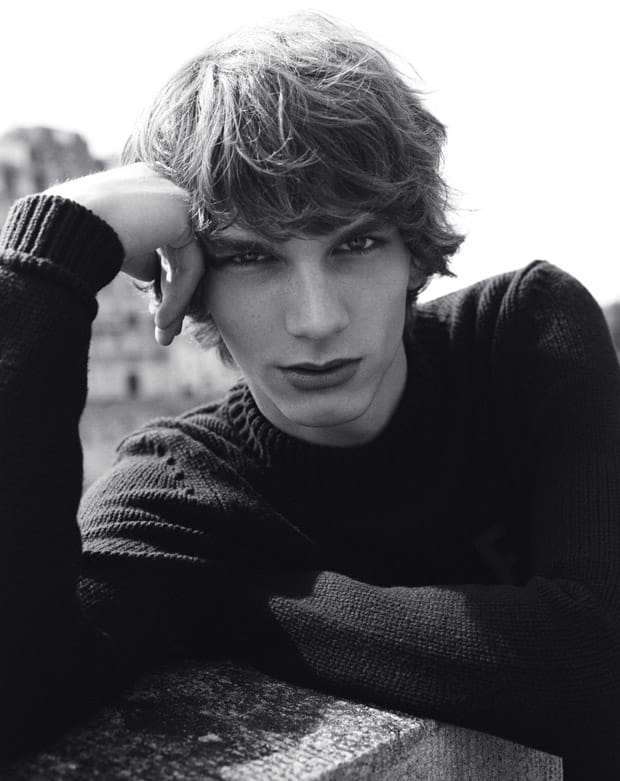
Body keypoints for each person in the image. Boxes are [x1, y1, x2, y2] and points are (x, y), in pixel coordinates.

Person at [1, 13, 619, 779]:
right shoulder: (175, 495)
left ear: (412, 252)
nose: (316, 318)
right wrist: (51, 253)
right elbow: (17, 691)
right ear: (189, 283)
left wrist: (240, 604)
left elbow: (598, 661)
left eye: (355, 243)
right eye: (250, 257)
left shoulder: (520, 335)